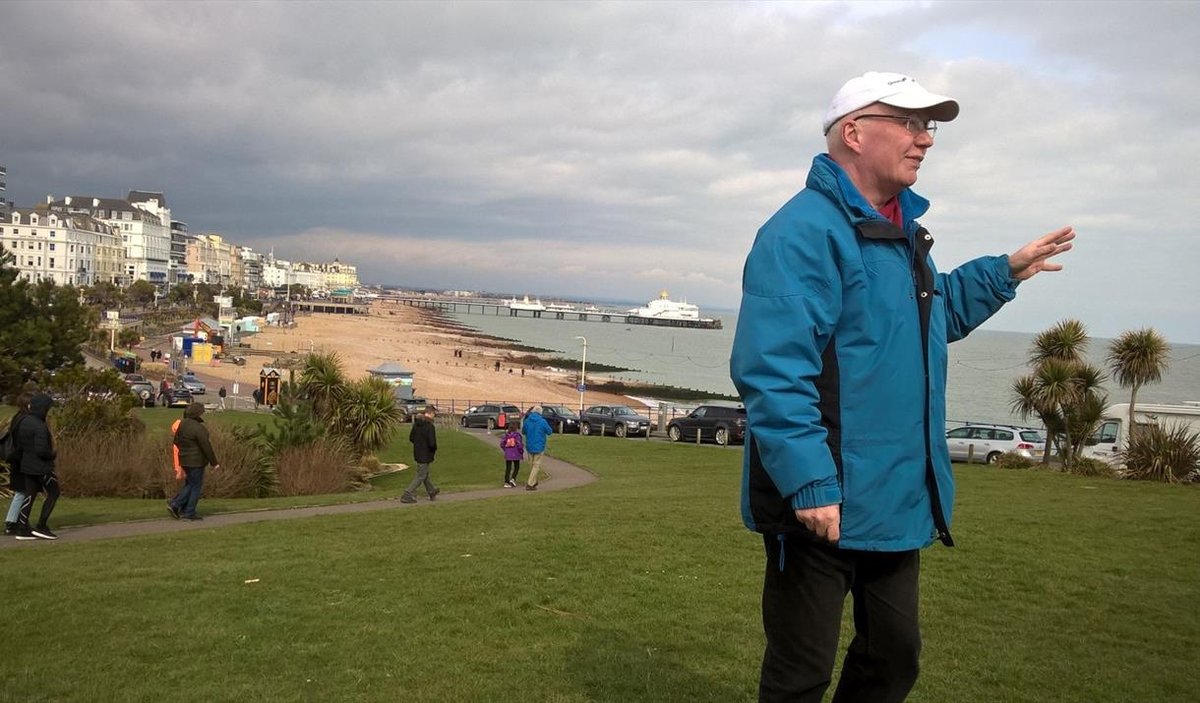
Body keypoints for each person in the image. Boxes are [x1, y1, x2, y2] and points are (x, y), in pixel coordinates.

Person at [729, 71, 1074, 703]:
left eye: (928, 126)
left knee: (894, 657)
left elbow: (928, 318)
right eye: (910, 123)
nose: (926, 141)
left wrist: (1006, 272)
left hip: (892, 500)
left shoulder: (903, 235)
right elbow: (774, 372)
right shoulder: (802, 232)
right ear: (854, 133)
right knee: (800, 674)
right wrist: (810, 483)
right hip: (820, 504)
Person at [12, 393, 61, 540]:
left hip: (27, 465)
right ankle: (42, 525)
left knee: (30, 495)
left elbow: (20, 444)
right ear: (43, 408)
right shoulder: (40, 426)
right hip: (42, 467)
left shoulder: (24, 421)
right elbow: (42, 451)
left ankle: (22, 527)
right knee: (54, 493)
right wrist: (52, 454)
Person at [166, 402, 220, 521]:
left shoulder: (183, 425)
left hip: (184, 459)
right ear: (198, 414)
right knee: (196, 486)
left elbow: (176, 441)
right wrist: (214, 462)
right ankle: (185, 510)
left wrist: (184, 451)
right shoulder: (198, 428)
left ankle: (180, 506)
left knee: (190, 484)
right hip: (196, 461)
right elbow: (206, 446)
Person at [3, 392, 32, 536]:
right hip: (21, 460)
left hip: (16, 459)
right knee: (23, 491)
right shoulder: (25, 420)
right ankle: (14, 522)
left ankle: (13, 521)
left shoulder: (17, 418)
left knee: (21, 492)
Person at [402, 407, 440, 503]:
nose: (434, 415)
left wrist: (419, 444)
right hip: (426, 454)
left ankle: (432, 491)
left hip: (417, 452)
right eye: (434, 414)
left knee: (424, 474)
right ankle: (407, 494)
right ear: (430, 413)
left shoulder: (416, 424)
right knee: (421, 475)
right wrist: (433, 449)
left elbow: (411, 438)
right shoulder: (429, 426)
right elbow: (432, 443)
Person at [521, 406, 554, 491]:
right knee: (536, 465)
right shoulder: (542, 421)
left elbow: (523, 431)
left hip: (529, 445)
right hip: (539, 446)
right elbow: (549, 431)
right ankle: (530, 483)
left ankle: (533, 481)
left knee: (531, 465)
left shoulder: (528, 421)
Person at [499, 421, 524, 488]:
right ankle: (513, 479)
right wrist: (521, 451)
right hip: (516, 454)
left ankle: (506, 482)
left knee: (508, 468)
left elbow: (502, 444)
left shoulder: (506, 435)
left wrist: (506, 450)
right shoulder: (517, 436)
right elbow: (519, 445)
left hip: (508, 454)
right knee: (516, 467)